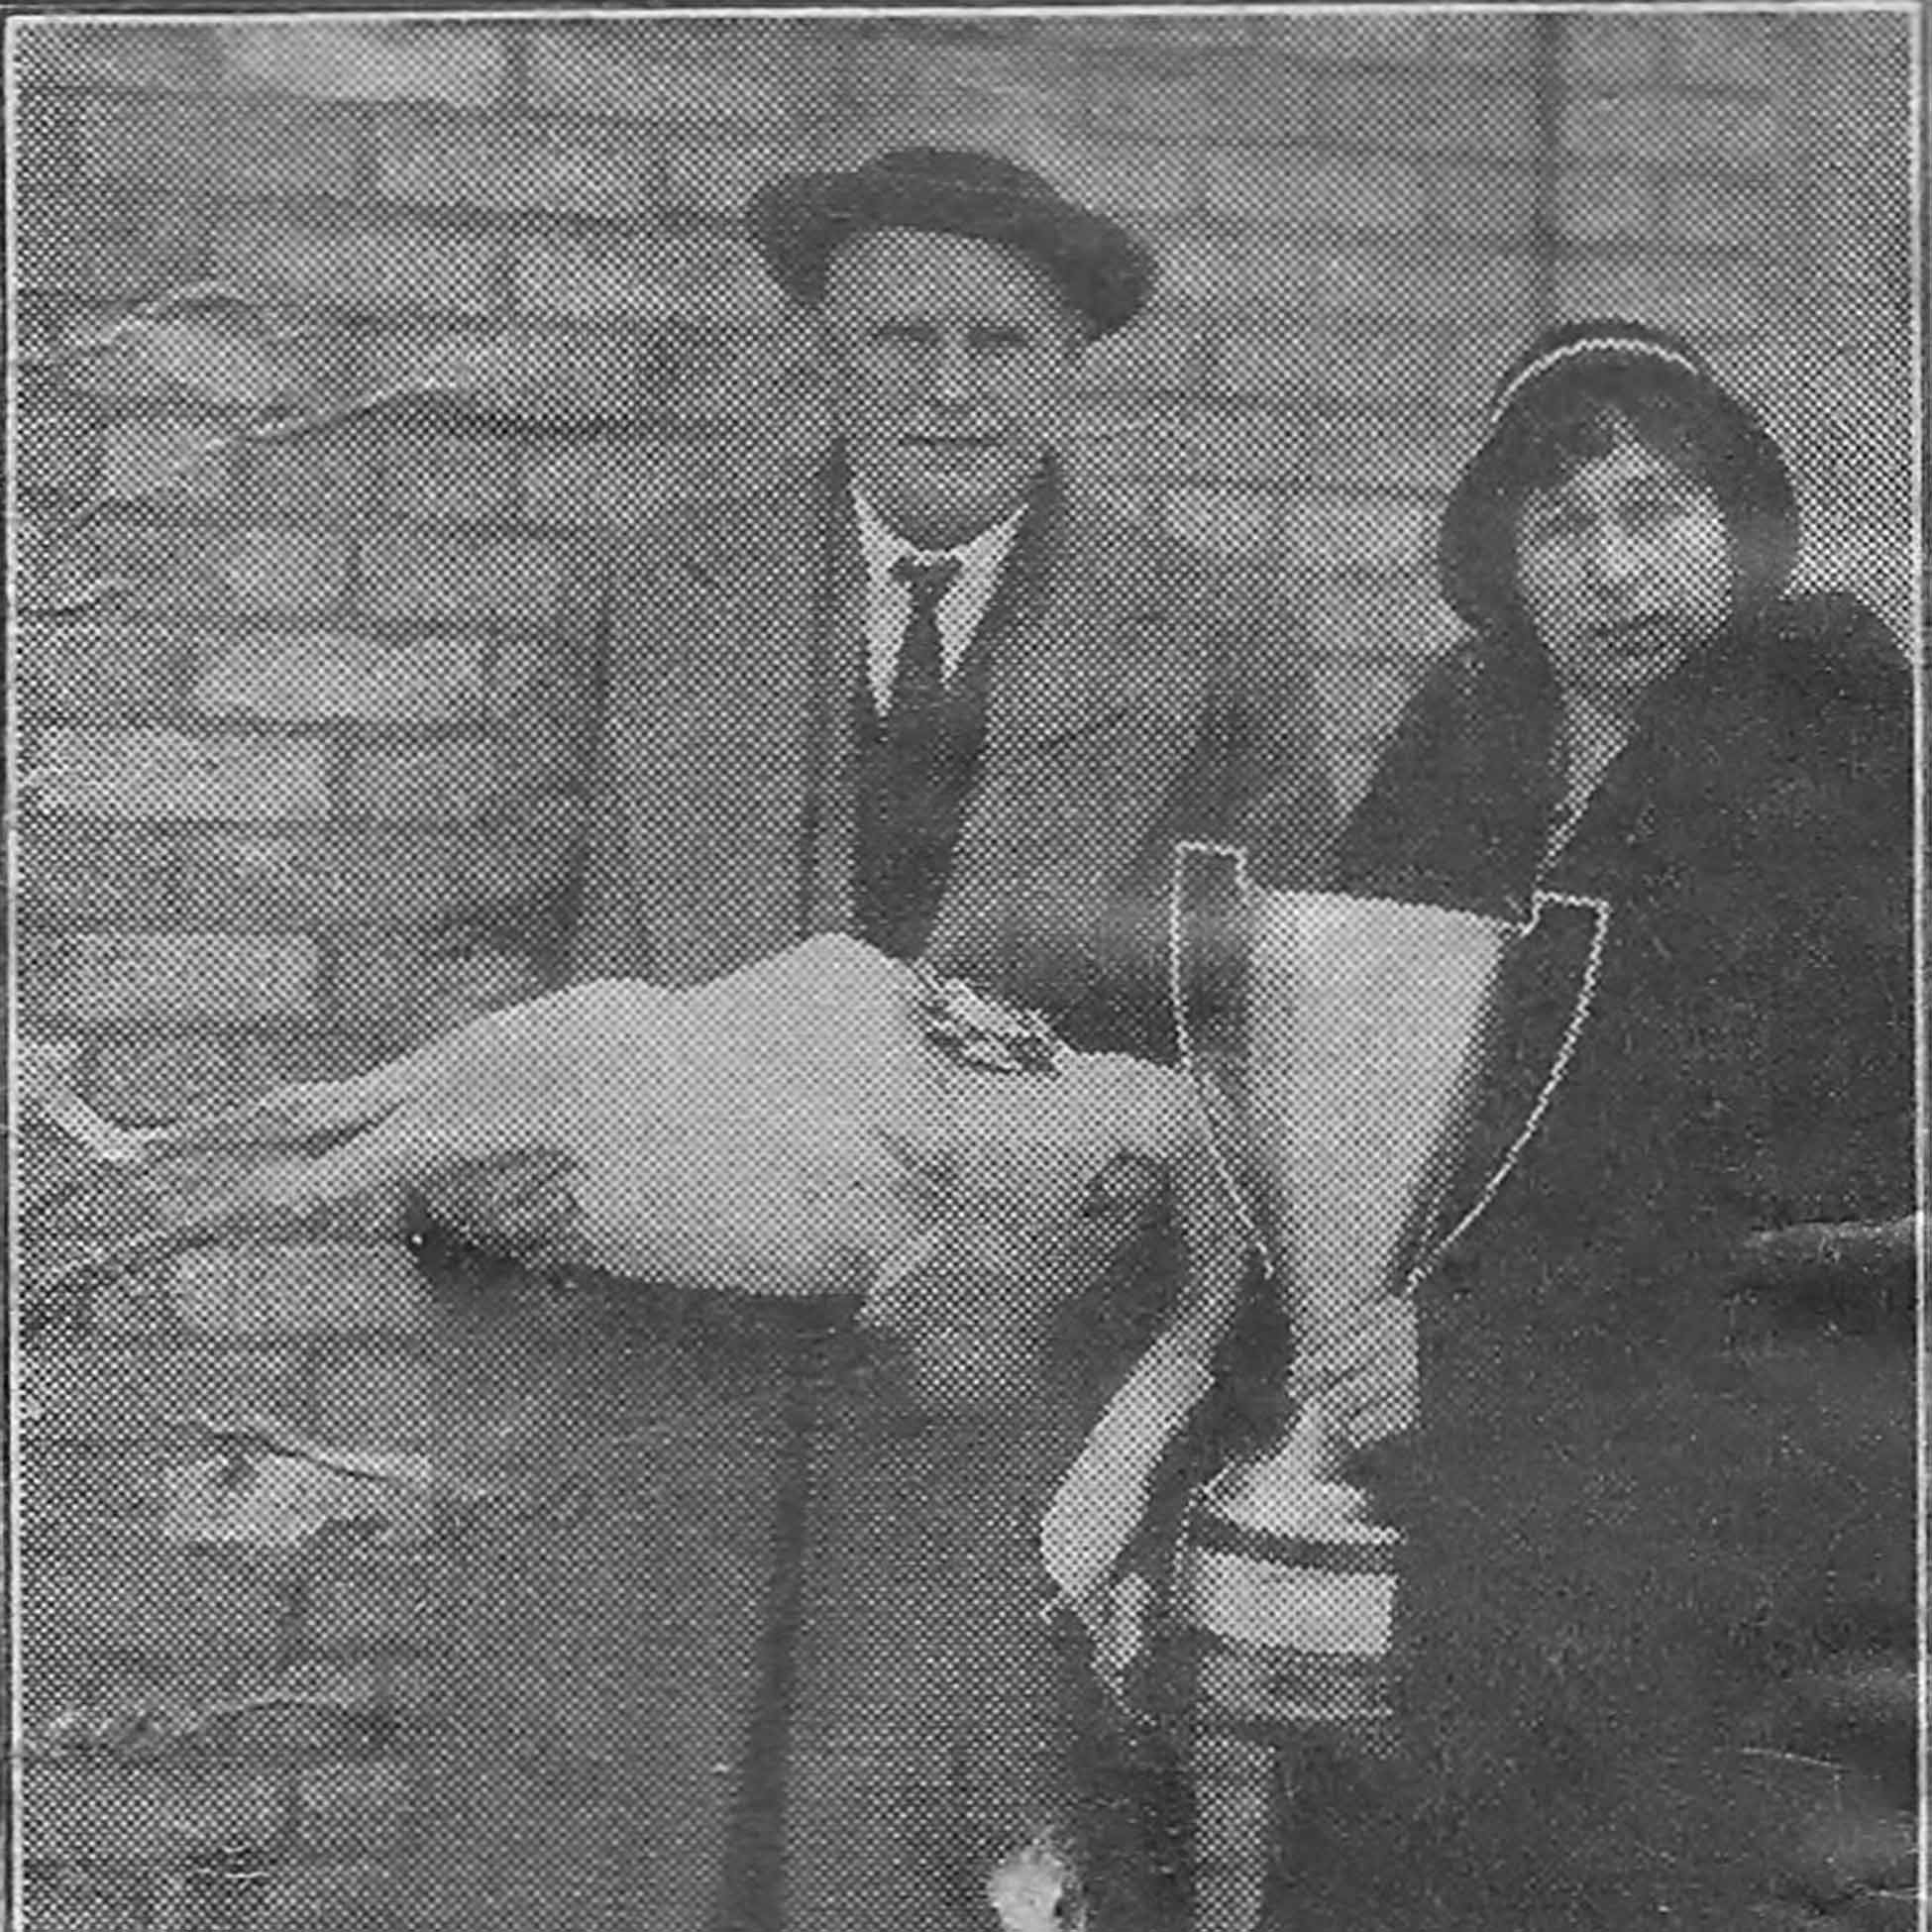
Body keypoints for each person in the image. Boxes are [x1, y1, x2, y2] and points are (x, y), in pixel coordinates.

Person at [400, 148, 1334, 1932]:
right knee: (636, 1861)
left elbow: (1262, 1025)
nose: (950, 385)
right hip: (653, 1376)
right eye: (899, 335)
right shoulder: (650, 597)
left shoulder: (1214, 638)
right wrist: (501, 1149)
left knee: (945, 1863)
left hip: (1003, 1389)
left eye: (1000, 340)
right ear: (824, 350)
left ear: (1070, 363)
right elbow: (485, 937)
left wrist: (1080, 1216)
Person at [1249, 321, 1915, 1927]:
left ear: (1738, 525)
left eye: (1658, 509)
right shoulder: (1460, 739)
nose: (1619, 569)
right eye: (1565, 526)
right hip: (1425, 1461)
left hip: (1687, 1461)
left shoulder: (1827, 734)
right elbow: (1349, 1051)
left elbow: (1806, 1174)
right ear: (1500, 559)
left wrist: (1477, 1343)